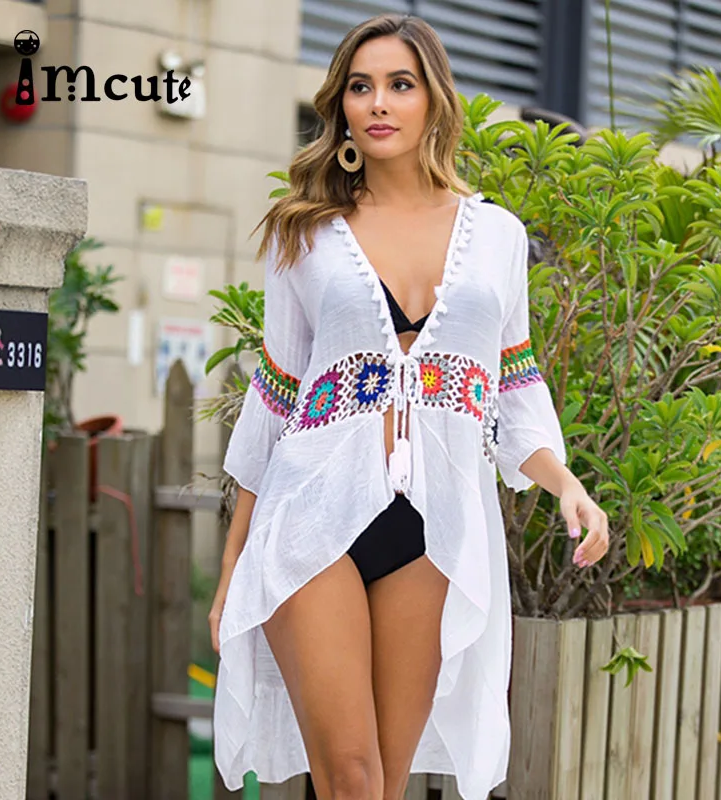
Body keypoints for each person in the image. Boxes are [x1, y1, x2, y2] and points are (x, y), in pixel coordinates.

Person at [209, 12, 609, 800]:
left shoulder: (497, 236)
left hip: (434, 530)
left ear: (434, 100)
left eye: (400, 84)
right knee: (353, 778)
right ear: (342, 106)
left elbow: (513, 386)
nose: (379, 103)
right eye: (361, 87)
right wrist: (232, 571)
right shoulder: (305, 234)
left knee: (385, 784)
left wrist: (567, 484)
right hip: (310, 518)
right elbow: (275, 400)